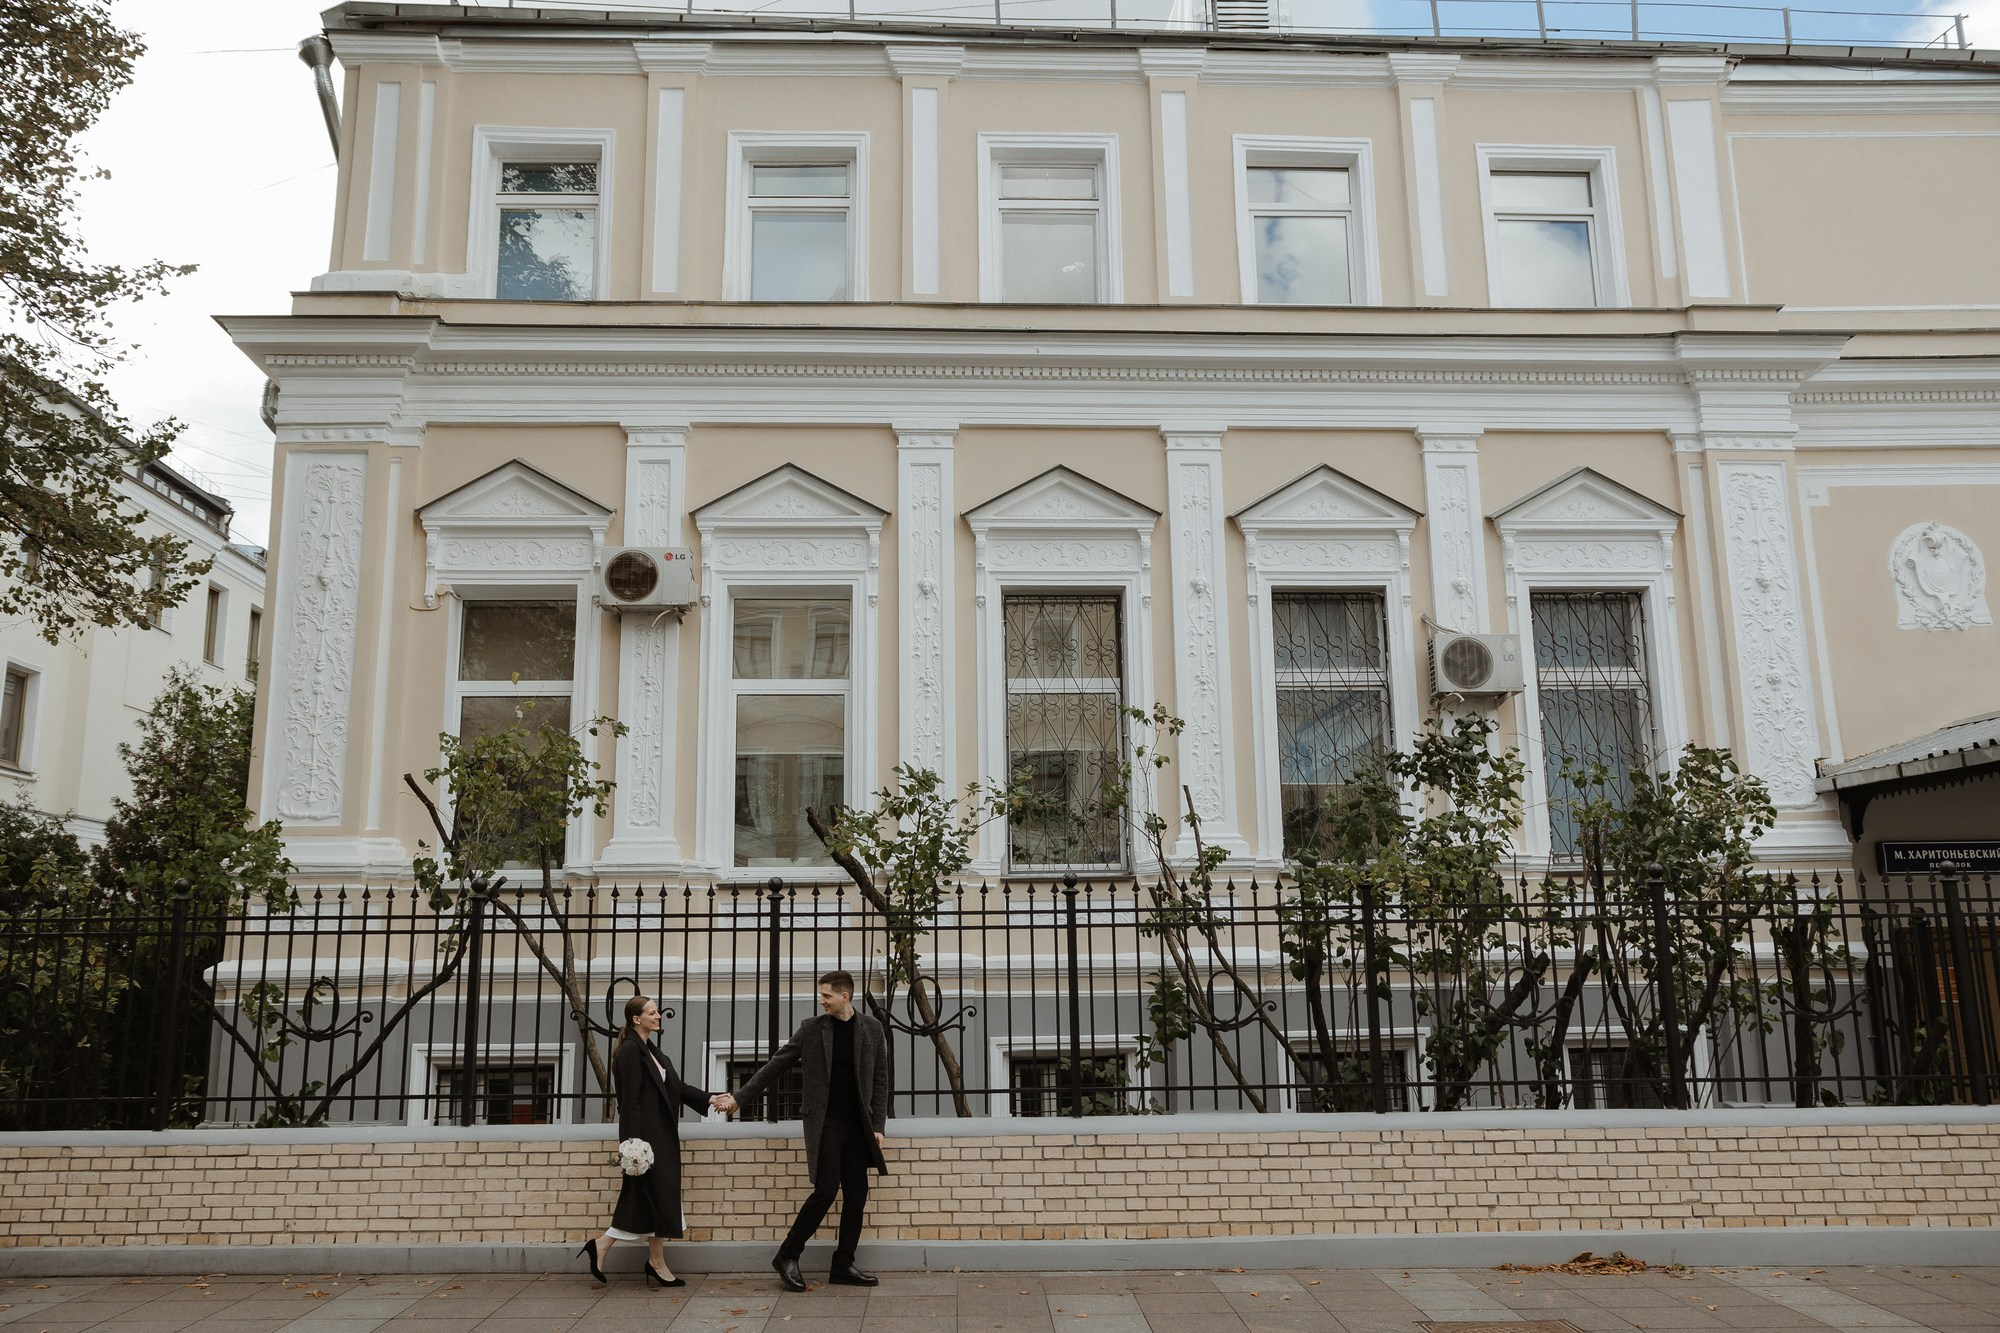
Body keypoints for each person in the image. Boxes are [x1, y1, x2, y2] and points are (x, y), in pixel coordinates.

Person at [712, 970, 889, 1292]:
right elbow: (776, 1064)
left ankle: (843, 1264)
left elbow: (880, 1078)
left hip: (859, 1126)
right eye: (821, 995)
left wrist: (878, 1126)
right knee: (825, 1190)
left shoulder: (872, 1029)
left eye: (826, 995)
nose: (821, 1001)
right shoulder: (812, 1029)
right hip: (826, 1123)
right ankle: (787, 1255)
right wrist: (739, 1098)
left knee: (857, 1194)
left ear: (845, 996)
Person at [579, 994, 711, 1288]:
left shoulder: (653, 1051)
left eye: (657, 1012)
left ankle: (650, 1259)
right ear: (636, 1019)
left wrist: (710, 1099)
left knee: (659, 1197)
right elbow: (629, 1103)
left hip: (661, 1135)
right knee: (646, 1197)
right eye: (652, 1012)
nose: (658, 1016)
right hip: (646, 1141)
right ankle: (610, 1247)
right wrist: (632, 1147)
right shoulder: (630, 1051)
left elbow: (678, 1088)